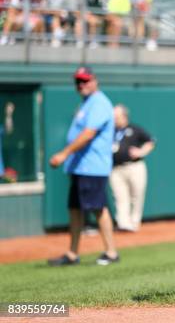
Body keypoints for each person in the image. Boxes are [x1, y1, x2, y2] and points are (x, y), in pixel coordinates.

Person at [48, 66, 119, 266]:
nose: (81, 85)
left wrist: (63, 154)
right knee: (75, 209)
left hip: (92, 166)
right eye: (78, 81)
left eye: (85, 80)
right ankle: (72, 253)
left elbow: (88, 134)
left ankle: (111, 252)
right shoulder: (87, 103)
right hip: (80, 166)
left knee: (98, 208)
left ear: (95, 81)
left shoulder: (99, 102)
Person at [110, 104, 155, 232]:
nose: (114, 119)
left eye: (116, 116)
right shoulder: (110, 131)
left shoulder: (134, 129)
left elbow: (150, 141)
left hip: (134, 166)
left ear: (124, 116)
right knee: (120, 197)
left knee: (136, 195)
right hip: (116, 168)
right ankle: (123, 223)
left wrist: (141, 152)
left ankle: (134, 223)